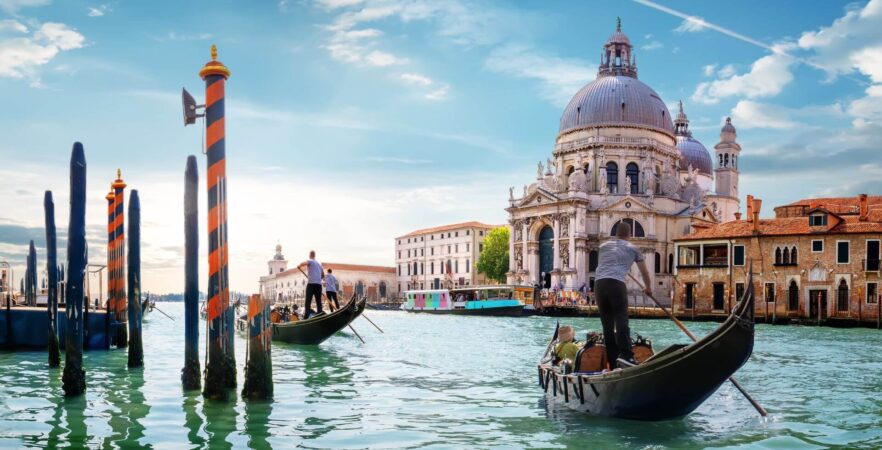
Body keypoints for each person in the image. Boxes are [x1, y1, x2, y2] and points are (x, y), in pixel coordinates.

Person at [595, 222, 652, 369]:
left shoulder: (603, 247)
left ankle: (613, 362)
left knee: (607, 325)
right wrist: (648, 288)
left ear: (615, 234)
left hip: (599, 285)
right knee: (621, 320)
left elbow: (607, 264)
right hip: (616, 284)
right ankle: (626, 355)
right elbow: (644, 272)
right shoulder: (633, 248)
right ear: (630, 235)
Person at [302, 250, 324, 319]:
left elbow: (304, 263)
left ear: (310, 255)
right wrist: (317, 278)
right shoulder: (319, 264)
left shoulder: (310, 260)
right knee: (318, 301)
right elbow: (323, 275)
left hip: (311, 284)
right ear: (315, 255)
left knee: (308, 301)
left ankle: (306, 317)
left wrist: (299, 265)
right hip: (319, 285)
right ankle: (320, 314)